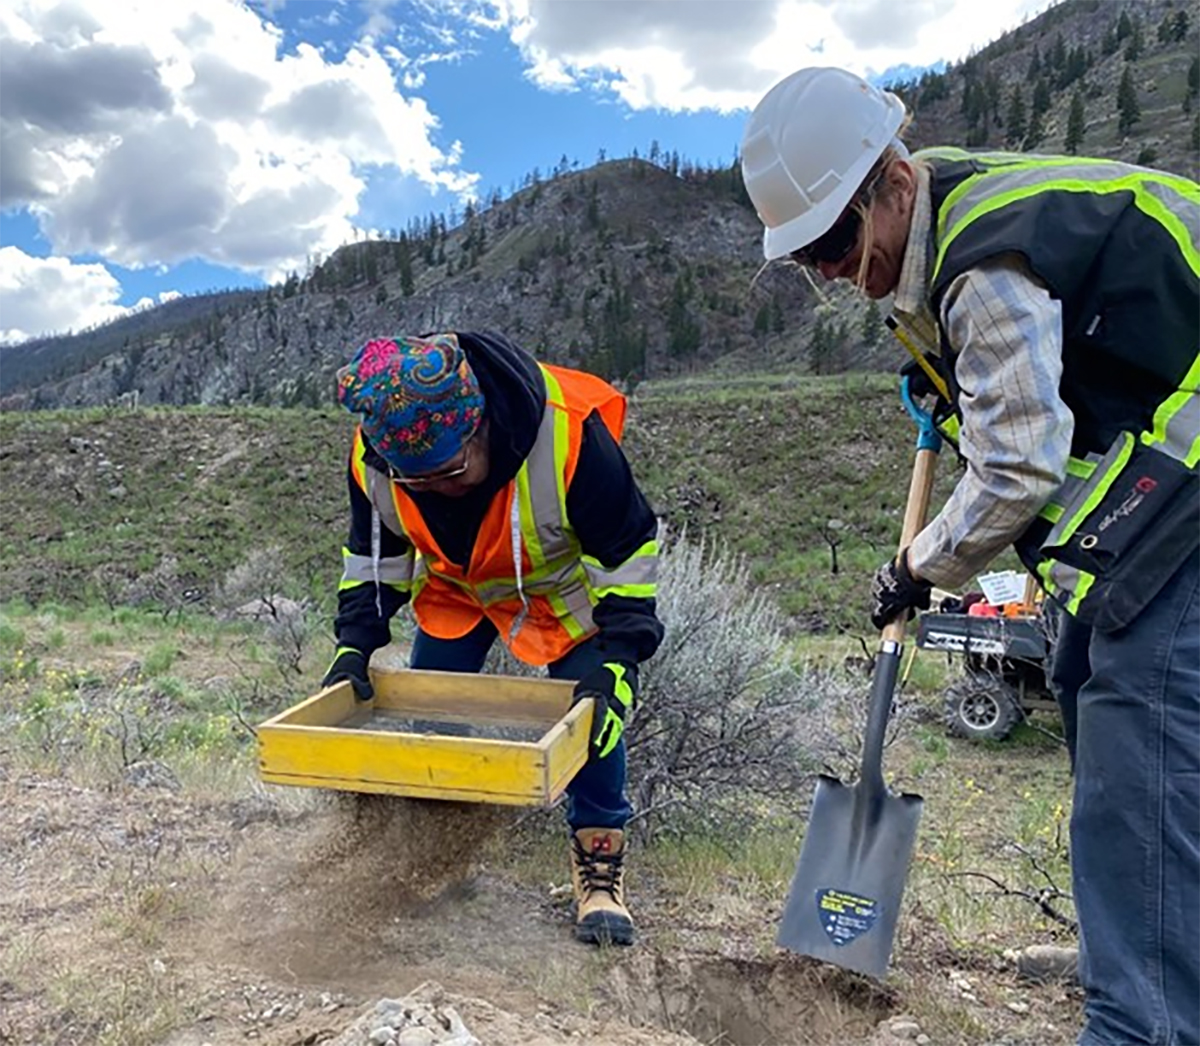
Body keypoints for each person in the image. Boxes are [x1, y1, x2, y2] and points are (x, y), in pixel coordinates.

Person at [741, 66, 1199, 1045]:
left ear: (893, 183)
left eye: (832, 241)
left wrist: (920, 566)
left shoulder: (981, 262)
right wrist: (946, 384)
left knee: (1137, 742)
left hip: (1187, 490)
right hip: (1159, 486)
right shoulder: (941, 236)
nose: (827, 270)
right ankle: (1152, 957)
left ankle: (1145, 1017)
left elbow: (1021, 465)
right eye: (805, 257)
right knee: (1083, 683)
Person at [322, 330, 663, 947]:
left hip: (555, 589)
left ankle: (600, 868)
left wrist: (619, 664)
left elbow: (627, 553)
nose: (439, 489)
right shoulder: (379, 456)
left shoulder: (570, 434)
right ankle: (435, 850)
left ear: (480, 427)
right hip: (458, 585)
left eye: (451, 472)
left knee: (592, 720)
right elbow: (375, 560)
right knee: (433, 707)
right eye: (416, 482)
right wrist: (354, 646)